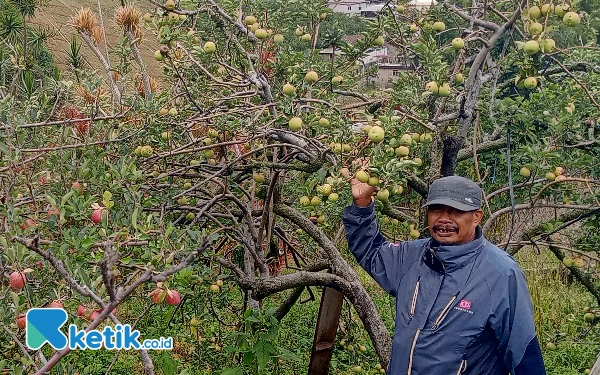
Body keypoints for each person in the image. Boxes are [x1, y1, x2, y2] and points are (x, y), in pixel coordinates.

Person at [343, 175, 546, 375]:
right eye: (436, 210)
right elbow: (370, 251)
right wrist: (362, 204)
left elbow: (523, 352)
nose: (444, 219)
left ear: (477, 217)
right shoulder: (413, 257)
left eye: (456, 211)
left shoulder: (501, 273)